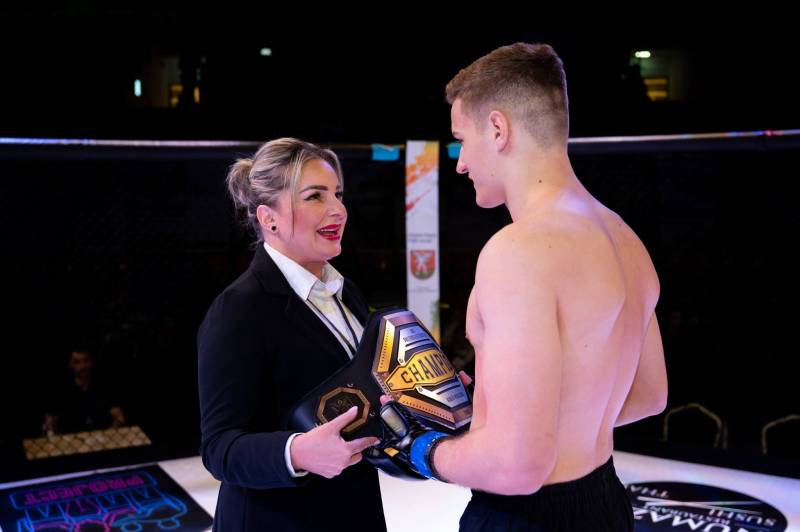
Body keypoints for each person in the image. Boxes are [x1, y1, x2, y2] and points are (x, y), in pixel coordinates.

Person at [377, 43, 667, 531]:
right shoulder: (625, 239)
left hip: (527, 517)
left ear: (498, 128)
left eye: (461, 140)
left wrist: (420, 449)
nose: (460, 163)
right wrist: (505, 417)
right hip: (605, 504)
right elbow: (649, 394)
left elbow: (517, 466)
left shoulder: (517, 251)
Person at [197, 138, 385, 531]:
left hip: (354, 511)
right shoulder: (239, 309)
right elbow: (219, 449)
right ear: (269, 219)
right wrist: (296, 452)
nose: (338, 209)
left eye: (337, 194)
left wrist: (424, 394)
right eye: (315, 196)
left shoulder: (346, 291)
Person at [42, 347, 126, 435]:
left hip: (102, 437)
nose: (83, 366)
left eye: (86, 361)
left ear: (91, 362)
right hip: (70, 439)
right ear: (70, 365)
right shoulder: (61, 391)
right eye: (77, 362)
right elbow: (49, 423)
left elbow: (119, 418)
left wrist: (107, 435)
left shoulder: (104, 387)